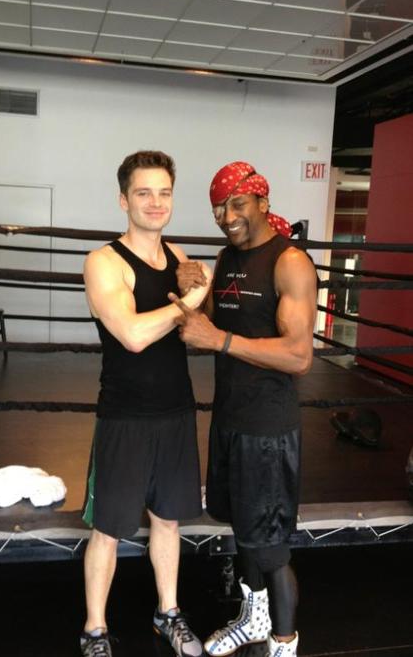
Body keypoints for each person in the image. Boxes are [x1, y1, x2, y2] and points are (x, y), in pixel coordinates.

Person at [170, 161, 317, 657]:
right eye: (218, 206)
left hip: (269, 430)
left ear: (262, 202)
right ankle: (254, 620)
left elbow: (298, 356)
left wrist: (220, 339)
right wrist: (200, 288)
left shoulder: (288, 262)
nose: (226, 215)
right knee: (245, 533)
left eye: (237, 203)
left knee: (271, 549)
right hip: (231, 419)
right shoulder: (228, 257)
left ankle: (284, 642)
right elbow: (220, 319)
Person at [80, 150, 211, 657]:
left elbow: (196, 333)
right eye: (143, 193)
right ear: (123, 200)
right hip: (125, 417)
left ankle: (169, 612)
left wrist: (205, 305)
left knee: (169, 520)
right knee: (109, 529)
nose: (155, 203)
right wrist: (188, 304)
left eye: (164, 192)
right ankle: (94, 628)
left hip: (176, 411)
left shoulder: (179, 260)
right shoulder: (104, 262)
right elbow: (133, 335)